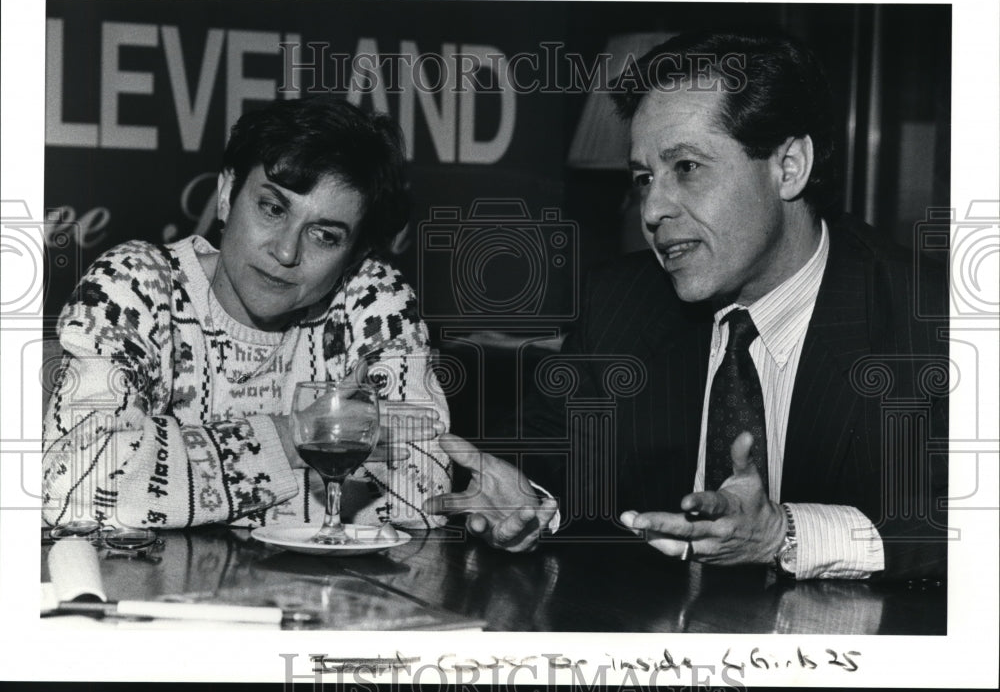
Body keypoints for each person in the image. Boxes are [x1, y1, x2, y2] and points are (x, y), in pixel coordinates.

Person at [424, 30, 949, 580]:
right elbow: (544, 455)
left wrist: (785, 534)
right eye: (645, 177)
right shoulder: (622, 302)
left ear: (788, 167)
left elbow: (972, 523)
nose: (652, 208)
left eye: (687, 169)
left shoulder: (930, 318)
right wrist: (525, 499)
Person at [42, 97, 451, 531]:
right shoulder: (136, 282)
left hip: (318, 594)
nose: (286, 251)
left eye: (326, 235)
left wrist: (166, 479)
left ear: (353, 256)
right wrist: (296, 438)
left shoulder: (371, 299)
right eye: (273, 209)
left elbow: (421, 496)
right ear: (226, 196)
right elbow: (74, 489)